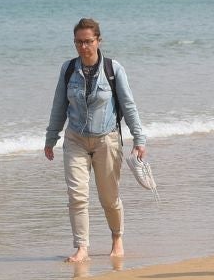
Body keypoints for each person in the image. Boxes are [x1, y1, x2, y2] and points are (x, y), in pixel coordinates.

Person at [44, 17, 148, 264]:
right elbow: (59, 105)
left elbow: (129, 106)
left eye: (88, 41)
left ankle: (117, 239)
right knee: (77, 195)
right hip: (75, 140)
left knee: (109, 197)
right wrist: (51, 138)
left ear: (98, 41)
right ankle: (81, 247)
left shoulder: (113, 69)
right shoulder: (68, 69)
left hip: (107, 141)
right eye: (78, 42)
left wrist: (139, 139)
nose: (83, 47)